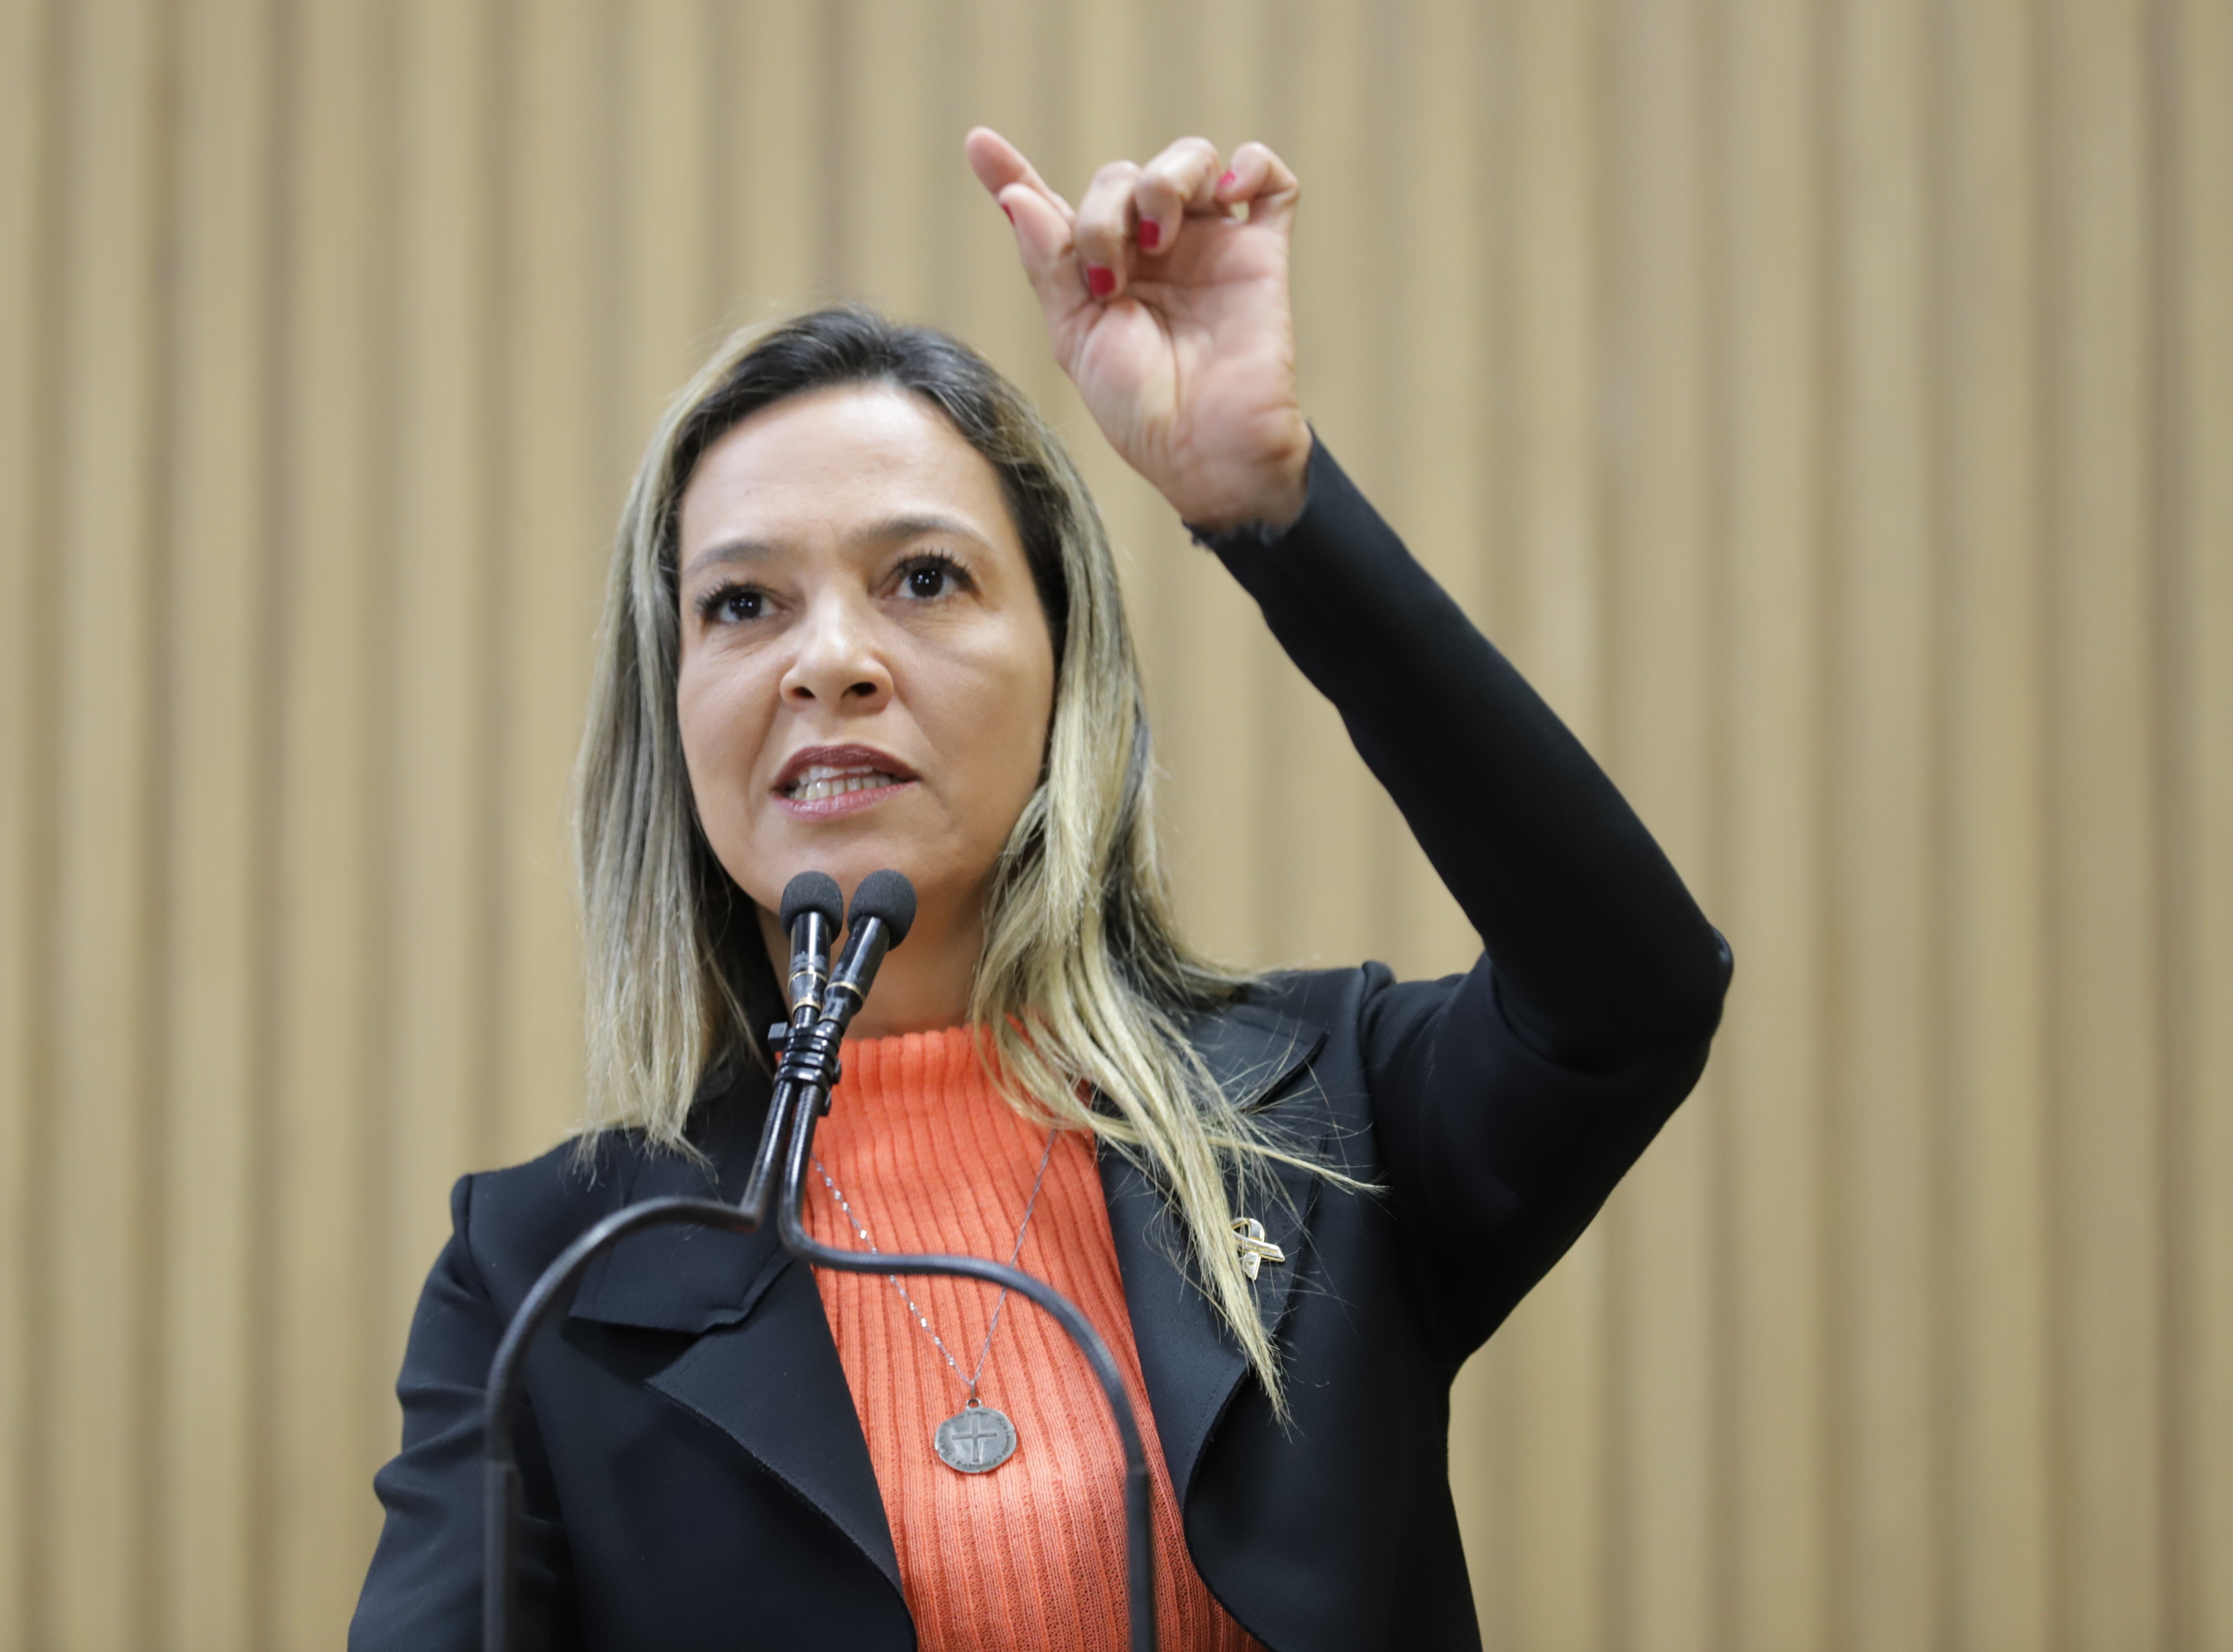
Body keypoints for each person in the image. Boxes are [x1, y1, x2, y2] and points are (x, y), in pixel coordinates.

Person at [351, 129, 1730, 1652]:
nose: (830, 660)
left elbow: (1633, 992)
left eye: (922, 578)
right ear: (672, 708)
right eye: (742, 603)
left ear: (1064, 667)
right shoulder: (545, 1277)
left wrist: (1274, 511)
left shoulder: (1321, 1117)